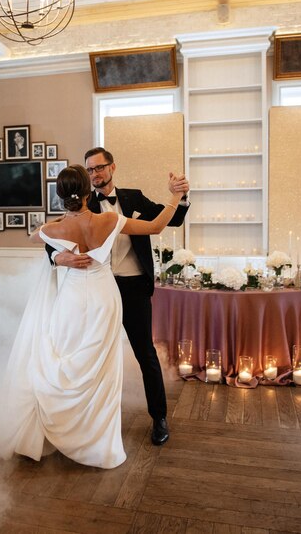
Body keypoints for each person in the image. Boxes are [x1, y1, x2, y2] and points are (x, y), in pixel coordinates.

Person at [5, 164, 187, 469]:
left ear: (60, 195)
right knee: (102, 367)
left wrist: (62, 229)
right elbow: (156, 227)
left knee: (67, 359)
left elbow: (33, 237)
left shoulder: (52, 229)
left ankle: (69, 426)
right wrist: (174, 196)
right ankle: (96, 437)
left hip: (75, 299)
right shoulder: (110, 219)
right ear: (89, 192)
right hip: (105, 297)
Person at [47, 148, 190, 447]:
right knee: (88, 355)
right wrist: (60, 259)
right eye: (90, 170)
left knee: (145, 354)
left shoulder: (134, 198)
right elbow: (53, 238)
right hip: (96, 291)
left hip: (134, 287)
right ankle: (87, 420)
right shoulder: (81, 204)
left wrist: (180, 196)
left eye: (99, 168)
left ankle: (159, 418)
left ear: (113, 167)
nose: (95, 174)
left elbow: (169, 221)